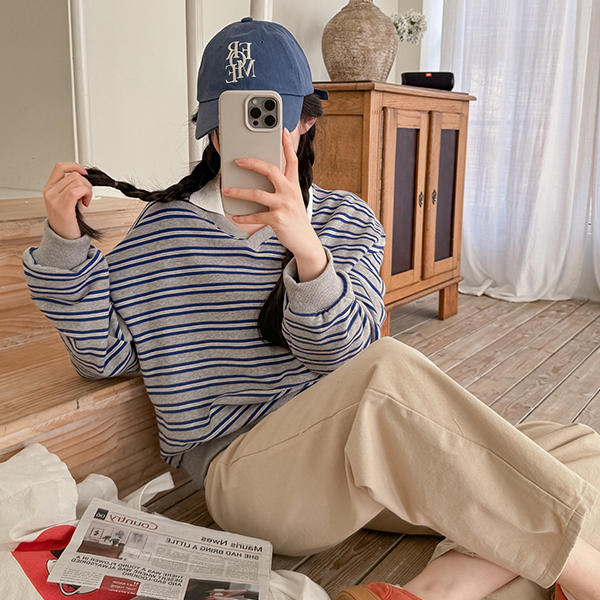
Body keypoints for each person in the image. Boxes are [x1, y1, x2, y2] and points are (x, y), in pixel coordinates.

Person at [23, 17, 600, 600]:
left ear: (305, 122)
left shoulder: (347, 221)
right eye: (230, 121)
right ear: (212, 133)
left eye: (269, 117)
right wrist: (64, 242)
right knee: (390, 373)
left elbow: (341, 353)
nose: (247, 136)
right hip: (250, 479)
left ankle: (440, 590)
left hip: (354, 466)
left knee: (577, 450)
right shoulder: (162, 231)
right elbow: (103, 360)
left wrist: (307, 251)